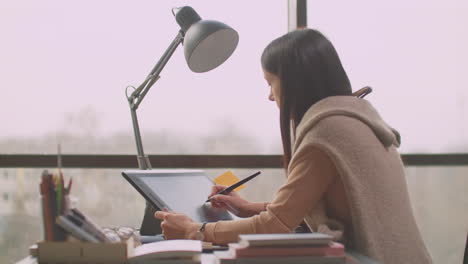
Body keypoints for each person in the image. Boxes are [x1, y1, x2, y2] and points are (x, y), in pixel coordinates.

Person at [155, 28, 432, 263]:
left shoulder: (327, 131)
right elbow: (297, 209)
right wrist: (250, 207)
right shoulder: (356, 121)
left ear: (294, 83)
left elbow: (274, 225)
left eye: (270, 83)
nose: (270, 96)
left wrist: (194, 230)